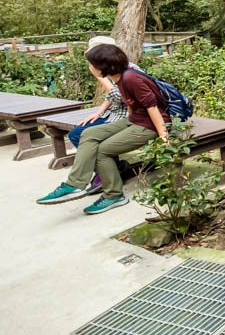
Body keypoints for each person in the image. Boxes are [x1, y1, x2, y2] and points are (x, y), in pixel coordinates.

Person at [36, 44, 169, 214]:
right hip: (136, 120)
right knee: (88, 133)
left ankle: (114, 195)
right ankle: (75, 184)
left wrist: (163, 136)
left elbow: (152, 107)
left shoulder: (130, 78)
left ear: (103, 66)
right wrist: (123, 122)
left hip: (150, 124)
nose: (89, 67)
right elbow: (131, 103)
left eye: (91, 64)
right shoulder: (119, 77)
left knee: (103, 150)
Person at [70, 36, 133, 195]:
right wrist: (98, 113)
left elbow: (122, 97)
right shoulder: (109, 69)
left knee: (85, 136)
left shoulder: (129, 70)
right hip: (114, 114)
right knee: (77, 133)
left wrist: (99, 77)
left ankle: (107, 172)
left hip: (129, 117)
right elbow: (111, 97)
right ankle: (112, 168)